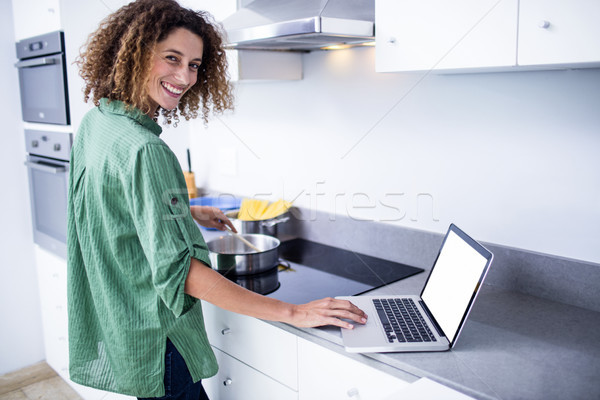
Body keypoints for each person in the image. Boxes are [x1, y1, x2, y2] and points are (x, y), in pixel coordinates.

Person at [67, 1, 367, 399]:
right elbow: (182, 272)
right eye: (171, 58)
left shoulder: (99, 122)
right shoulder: (146, 150)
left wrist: (184, 212)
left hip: (125, 323)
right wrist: (294, 311)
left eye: (194, 64)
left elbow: (108, 207)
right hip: (162, 340)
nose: (184, 76)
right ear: (135, 52)